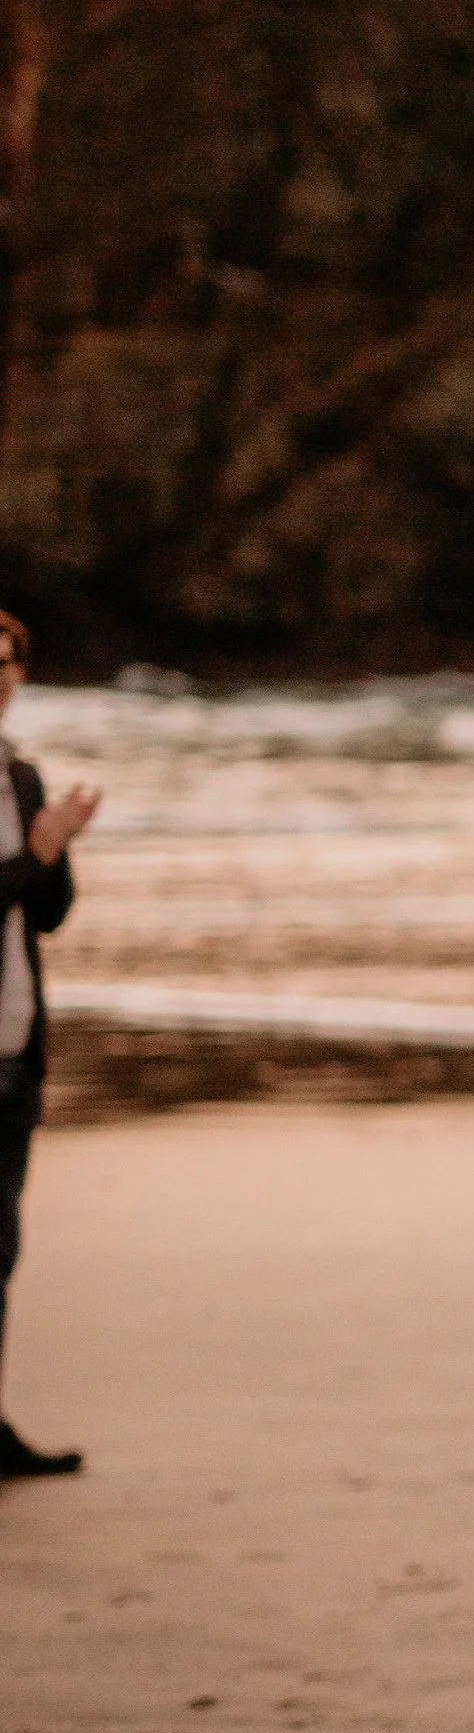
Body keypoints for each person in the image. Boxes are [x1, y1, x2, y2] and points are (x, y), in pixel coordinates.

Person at [0, 605, 98, 1483]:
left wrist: (54, 851)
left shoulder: (22, 778)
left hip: (16, 1044)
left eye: (6, 661)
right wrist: (37, 854)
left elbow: (50, 915)